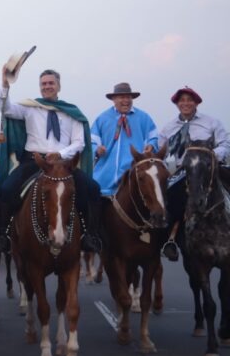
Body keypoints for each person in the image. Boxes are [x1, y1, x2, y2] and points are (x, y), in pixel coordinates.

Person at [0, 68, 101, 253]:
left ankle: (90, 235)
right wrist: (5, 85)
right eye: (44, 84)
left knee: (93, 188)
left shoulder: (72, 112)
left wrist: (60, 154)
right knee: (6, 189)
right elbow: (6, 109)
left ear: (58, 86)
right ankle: (3, 235)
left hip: (63, 165)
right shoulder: (29, 107)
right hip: (33, 161)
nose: (47, 87)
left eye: (51, 83)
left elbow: (79, 143)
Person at [157, 86, 230, 261]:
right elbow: (161, 150)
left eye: (189, 100)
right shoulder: (168, 128)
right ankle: (170, 240)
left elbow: (225, 144)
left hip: (209, 168)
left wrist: (211, 156)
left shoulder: (212, 123)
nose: (186, 103)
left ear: (196, 102)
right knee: (170, 200)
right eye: (182, 100)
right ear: (177, 104)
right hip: (182, 172)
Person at [90, 83, 158, 196]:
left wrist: (151, 145)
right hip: (105, 177)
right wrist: (97, 150)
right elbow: (91, 142)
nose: (126, 100)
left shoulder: (143, 117)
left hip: (135, 174)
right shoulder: (102, 119)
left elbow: (154, 137)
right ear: (113, 99)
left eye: (128, 97)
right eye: (122, 97)